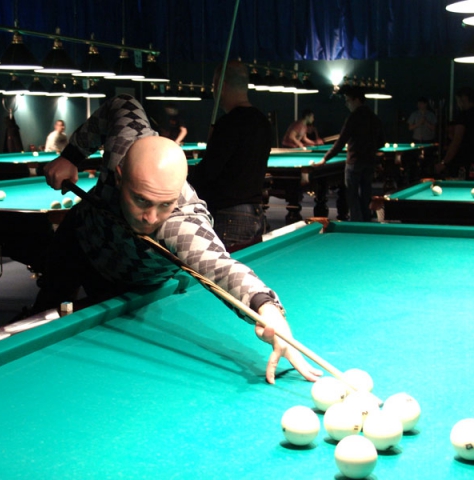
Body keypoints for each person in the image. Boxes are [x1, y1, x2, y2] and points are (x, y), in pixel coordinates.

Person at [37, 93, 322, 385]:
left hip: (126, 277)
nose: (151, 218)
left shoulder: (181, 224)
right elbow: (120, 103)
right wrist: (71, 156)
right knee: (42, 311)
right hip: (80, 233)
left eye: (164, 204)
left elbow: (220, 266)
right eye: (141, 199)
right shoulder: (125, 139)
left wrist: (268, 310)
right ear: (119, 175)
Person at [188, 60, 270, 251]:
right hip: (256, 212)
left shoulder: (228, 124)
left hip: (230, 216)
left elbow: (208, 173)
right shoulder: (263, 122)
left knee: (221, 270)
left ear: (222, 87)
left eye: (214, 86)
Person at [315, 86, 384, 222]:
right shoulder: (374, 117)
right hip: (369, 162)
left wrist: (325, 158)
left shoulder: (353, 117)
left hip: (354, 162)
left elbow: (341, 141)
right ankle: (366, 223)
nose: (346, 104)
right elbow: (382, 141)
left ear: (356, 100)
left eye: (348, 100)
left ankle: (356, 224)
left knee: (352, 196)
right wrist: (370, 148)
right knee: (365, 195)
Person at [437, 86, 474, 179]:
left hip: (461, 162)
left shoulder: (463, 116)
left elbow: (457, 141)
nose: (458, 104)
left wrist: (444, 162)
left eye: (458, 101)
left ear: (464, 99)